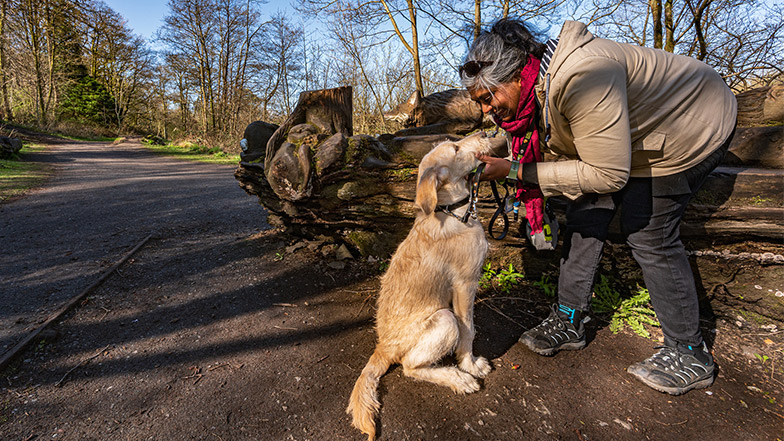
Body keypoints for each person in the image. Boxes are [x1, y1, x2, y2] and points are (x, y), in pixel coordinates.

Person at [459, 18, 737, 396]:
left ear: (514, 76)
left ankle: (690, 352)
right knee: (585, 213)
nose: (489, 111)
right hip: (630, 139)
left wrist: (517, 171)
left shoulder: (583, 77)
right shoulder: (536, 89)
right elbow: (575, 153)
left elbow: (607, 175)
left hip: (693, 123)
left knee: (648, 229)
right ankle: (569, 318)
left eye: (489, 98)